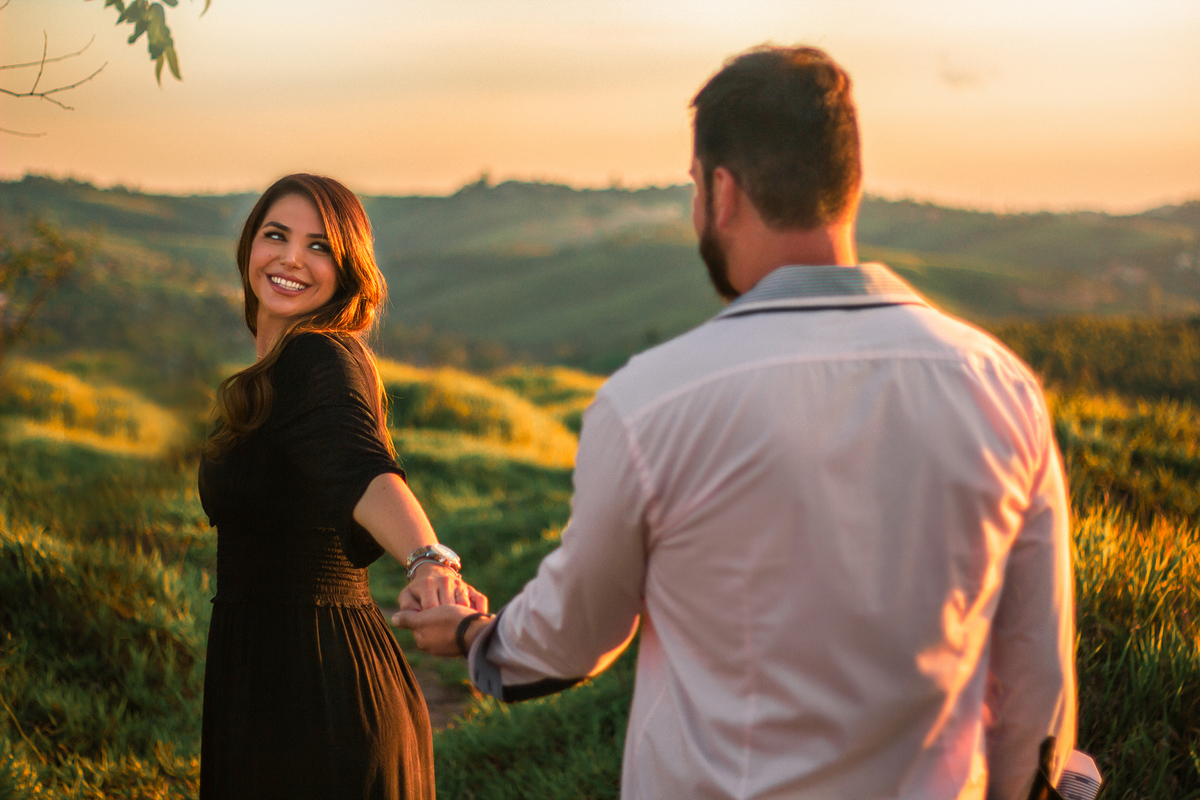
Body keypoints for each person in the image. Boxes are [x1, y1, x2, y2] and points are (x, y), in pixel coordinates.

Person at [397, 46, 1076, 800]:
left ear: (721, 192)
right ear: (846, 187)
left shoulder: (652, 402)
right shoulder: (999, 387)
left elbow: (571, 636)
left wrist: (472, 639)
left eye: (694, 187)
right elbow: (1034, 678)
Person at [199, 173, 486, 799]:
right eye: (276, 235)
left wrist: (428, 560)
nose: (292, 258)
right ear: (250, 243)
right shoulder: (274, 375)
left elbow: (365, 468)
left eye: (320, 246)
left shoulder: (320, 358)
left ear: (347, 270)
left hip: (316, 695)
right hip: (269, 677)